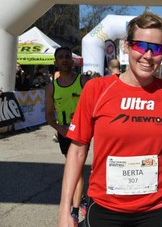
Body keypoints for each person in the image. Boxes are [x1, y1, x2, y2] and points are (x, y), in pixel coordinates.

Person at [58, 11, 162, 227]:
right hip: (106, 208)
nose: (148, 55)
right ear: (126, 46)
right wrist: (65, 209)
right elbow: (77, 151)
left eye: (158, 49)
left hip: (155, 210)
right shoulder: (97, 89)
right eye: (141, 46)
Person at [45, 46, 90, 226]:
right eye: (60, 57)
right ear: (56, 62)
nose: (64, 60)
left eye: (67, 57)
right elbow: (48, 115)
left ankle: (74, 211)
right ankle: (82, 199)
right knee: (73, 168)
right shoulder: (51, 87)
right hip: (64, 132)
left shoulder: (84, 81)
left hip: (82, 131)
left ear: (72, 60)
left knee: (77, 169)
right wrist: (59, 128)